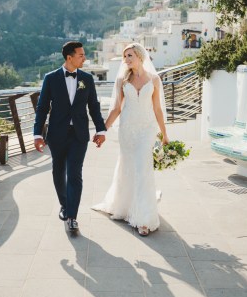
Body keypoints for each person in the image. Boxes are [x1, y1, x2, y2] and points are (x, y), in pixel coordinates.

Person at [92, 42, 169, 236]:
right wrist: (102, 130)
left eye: (129, 56)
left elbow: (158, 109)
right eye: (124, 56)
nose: (126, 60)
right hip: (127, 130)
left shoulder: (154, 80)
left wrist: (164, 134)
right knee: (128, 166)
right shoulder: (122, 81)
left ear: (140, 57)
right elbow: (117, 108)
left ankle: (144, 219)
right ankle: (125, 206)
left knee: (143, 168)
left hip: (146, 129)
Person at [33, 41, 106, 233]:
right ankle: (64, 204)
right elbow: (42, 108)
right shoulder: (50, 78)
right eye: (81, 55)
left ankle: (72, 216)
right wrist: (37, 134)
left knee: (74, 174)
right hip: (57, 134)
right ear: (69, 57)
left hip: (79, 135)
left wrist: (101, 130)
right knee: (58, 170)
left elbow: (94, 106)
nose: (84, 58)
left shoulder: (87, 79)